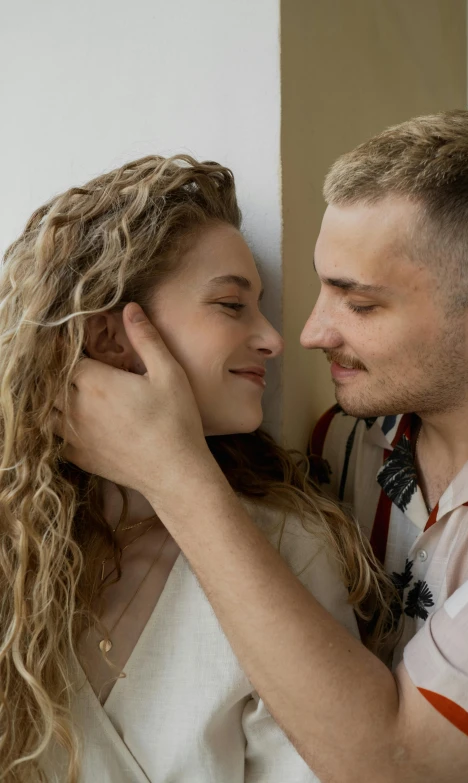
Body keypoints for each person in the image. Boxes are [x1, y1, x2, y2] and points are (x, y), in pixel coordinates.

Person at [54, 107, 468, 783]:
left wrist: (175, 472)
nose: (308, 334)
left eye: (358, 304)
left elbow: (392, 764)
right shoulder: (345, 439)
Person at [0, 155, 393, 782]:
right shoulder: (10, 543)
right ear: (111, 337)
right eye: (231, 305)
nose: (274, 338)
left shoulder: (292, 547)